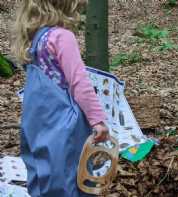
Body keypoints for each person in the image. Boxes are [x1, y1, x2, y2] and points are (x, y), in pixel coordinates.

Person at [12, 0, 109, 196]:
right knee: (70, 172)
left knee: (43, 169)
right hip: (62, 121)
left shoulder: (34, 39)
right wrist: (97, 120)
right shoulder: (62, 37)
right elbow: (79, 82)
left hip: (37, 122)